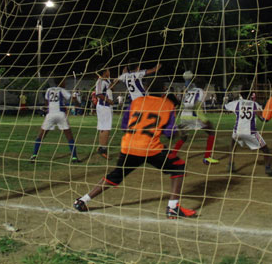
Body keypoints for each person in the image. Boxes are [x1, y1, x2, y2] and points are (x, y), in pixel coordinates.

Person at [73, 77, 196, 219]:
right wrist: (180, 133)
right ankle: (173, 207)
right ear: (164, 89)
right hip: (151, 149)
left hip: (129, 146)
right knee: (178, 167)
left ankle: (83, 200)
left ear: (146, 88)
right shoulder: (167, 104)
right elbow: (170, 133)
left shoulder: (136, 101)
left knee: (116, 175)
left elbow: (124, 126)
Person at [168, 79, 220, 165]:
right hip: (193, 116)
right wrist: (205, 120)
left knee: (184, 137)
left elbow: (183, 103)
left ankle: (172, 155)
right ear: (204, 85)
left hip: (184, 115)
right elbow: (197, 107)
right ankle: (207, 157)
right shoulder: (201, 92)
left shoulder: (190, 91)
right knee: (211, 132)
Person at [29, 79, 81, 163]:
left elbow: (46, 101)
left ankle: (34, 155)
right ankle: (74, 157)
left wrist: (47, 108)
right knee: (69, 136)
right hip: (60, 114)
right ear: (61, 82)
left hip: (50, 115)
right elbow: (72, 99)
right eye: (64, 82)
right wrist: (77, 102)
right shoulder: (62, 90)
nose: (65, 83)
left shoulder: (49, 90)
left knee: (41, 135)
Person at [224, 95, 272, 176]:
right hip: (250, 132)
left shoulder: (237, 103)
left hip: (238, 131)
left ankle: (231, 164)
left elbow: (225, 107)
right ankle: (268, 168)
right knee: (266, 150)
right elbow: (263, 119)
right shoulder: (254, 104)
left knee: (232, 144)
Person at [95, 66, 114, 159]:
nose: (109, 71)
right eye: (108, 70)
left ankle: (101, 147)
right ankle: (103, 150)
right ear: (104, 72)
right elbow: (98, 93)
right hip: (104, 107)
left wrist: (116, 81)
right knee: (106, 128)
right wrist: (108, 100)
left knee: (103, 128)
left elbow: (110, 88)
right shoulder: (100, 81)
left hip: (106, 107)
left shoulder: (107, 81)